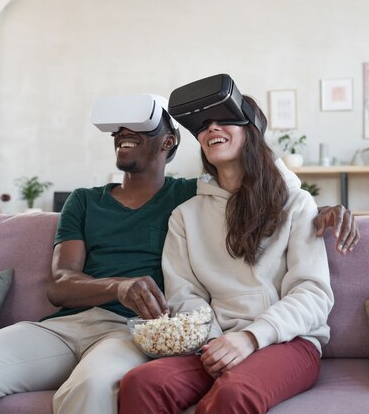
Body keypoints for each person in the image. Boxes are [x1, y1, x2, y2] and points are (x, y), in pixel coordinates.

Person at [0, 93, 358, 414]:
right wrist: (119, 286)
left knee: (91, 389)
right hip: (67, 326)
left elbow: (251, 191)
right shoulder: (88, 201)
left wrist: (318, 209)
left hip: (136, 332)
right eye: (118, 131)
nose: (124, 136)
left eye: (139, 130)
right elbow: (60, 285)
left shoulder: (192, 196)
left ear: (169, 142)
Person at [118, 75, 337, 414]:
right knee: (142, 383)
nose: (211, 128)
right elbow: (183, 294)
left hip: (288, 341)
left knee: (233, 394)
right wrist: (214, 342)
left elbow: (312, 293)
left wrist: (251, 338)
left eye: (225, 118)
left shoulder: (296, 204)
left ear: (252, 130)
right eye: (203, 125)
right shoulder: (184, 216)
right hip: (213, 342)